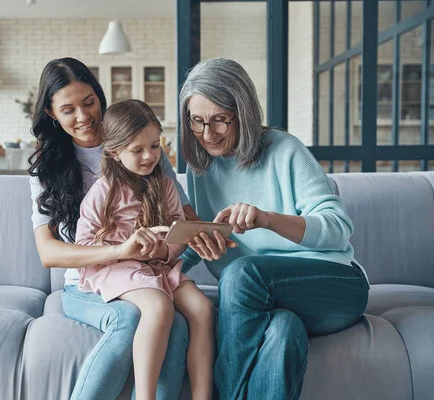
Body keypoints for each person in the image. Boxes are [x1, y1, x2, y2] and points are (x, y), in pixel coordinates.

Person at [178, 58, 370, 400]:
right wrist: (161, 262)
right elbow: (205, 237)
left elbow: (338, 229)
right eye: (197, 121)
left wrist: (267, 219)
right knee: (284, 331)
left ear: (244, 111)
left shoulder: (285, 150)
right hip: (260, 301)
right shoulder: (200, 169)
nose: (207, 134)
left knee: (240, 274)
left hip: (334, 285)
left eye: (220, 120)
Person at [28, 57, 194, 399]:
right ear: (51, 114)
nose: (84, 117)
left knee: (177, 324)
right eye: (69, 109)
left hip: (146, 275)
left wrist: (197, 236)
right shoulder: (48, 168)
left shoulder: (143, 147)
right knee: (128, 318)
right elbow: (48, 253)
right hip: (85, 285)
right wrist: (119, 251)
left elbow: (182, 216)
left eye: (89, 103)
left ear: (100, 98)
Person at [75, 99, 215, 400]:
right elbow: (84, 245)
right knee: (158, 306)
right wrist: (128, 249)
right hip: (118, 269)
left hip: (160, 267)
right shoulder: (103, 191)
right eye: (137, 150)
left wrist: (164, 249)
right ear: (114, 152)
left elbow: (178, 238)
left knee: (203, 309)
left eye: (154, 146)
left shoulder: (165, 185)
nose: (149, 156)